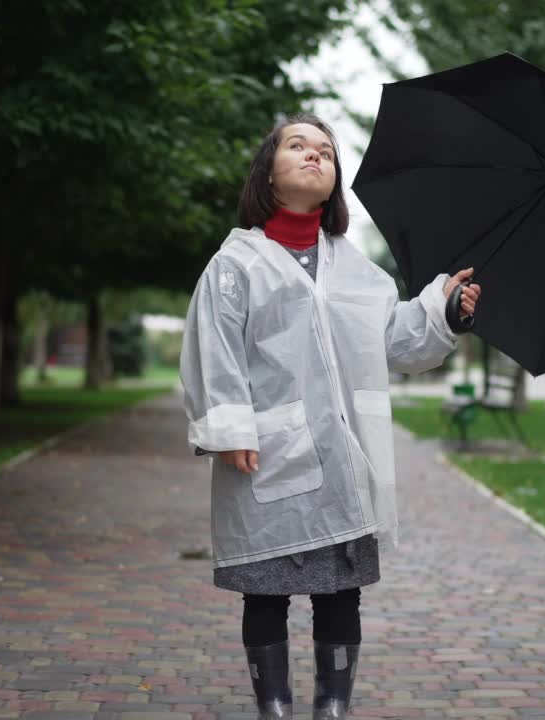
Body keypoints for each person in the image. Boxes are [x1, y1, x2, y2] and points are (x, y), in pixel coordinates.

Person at [179, 113, 480, 720]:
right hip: (267, 456)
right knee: (265, 590)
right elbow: (214, 347)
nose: (316, 156)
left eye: (327, 151)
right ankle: (275, 707)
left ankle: (331, 709)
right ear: (268, 171)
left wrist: (446, 313)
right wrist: (230, 427)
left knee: (340, 591)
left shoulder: (359, 272)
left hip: (345, 461)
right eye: (298, 146)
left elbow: (393, 342)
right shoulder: (236, 265)